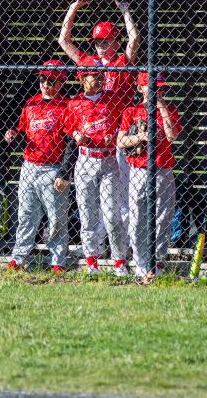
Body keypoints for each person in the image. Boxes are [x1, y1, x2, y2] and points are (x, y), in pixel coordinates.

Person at [59, 0, 141, 250]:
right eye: (97, 41)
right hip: (96, 139)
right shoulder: (88, 63)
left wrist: (125, 10)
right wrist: (73, 9)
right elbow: (64, 41)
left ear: (116, 41)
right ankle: (99, 248)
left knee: (123, 200)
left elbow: (135, 40)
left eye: (106, 41)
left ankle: (123, 248)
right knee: (94, 202)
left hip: (122, 137)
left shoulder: (121, 61)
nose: (101, 46)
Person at [4, 60, 74, 273]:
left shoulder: (66, 106)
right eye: (42, 79)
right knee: (26, 214)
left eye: (50, 80)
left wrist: (64, 173)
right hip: (30, 166)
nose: (44, 83)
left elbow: (71, 142)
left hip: (53, 168)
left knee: (56, 217)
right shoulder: (31, 104)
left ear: (60, 82)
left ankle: (57, 260)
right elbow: (24, 134)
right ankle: (19, 256)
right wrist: (13, 136)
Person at [64, 58, 129, 276]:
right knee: (88, 214)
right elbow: (70, 128)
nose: (100, 79)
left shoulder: (114, 99)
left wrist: (118, 135)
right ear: (82, 79)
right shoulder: (74, 103)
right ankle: (91, 261)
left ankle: (120, 261)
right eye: (94, 75)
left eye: (101, 75)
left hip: (109, 160)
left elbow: (125, 125)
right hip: (85, 160)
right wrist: (77, 135)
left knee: (112, 215)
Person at [117, 72, 182, 283]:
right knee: (137, 219)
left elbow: (172, 136)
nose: (156, 90)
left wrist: (161, 105)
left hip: (163, 169)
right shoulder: (131, 111)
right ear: (140, 88)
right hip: (139, 170)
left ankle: (157, 264)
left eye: (160, 87)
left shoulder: (169, 110)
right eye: (152, 87)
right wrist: (140, 137)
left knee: (162, 218)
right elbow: (120, 142)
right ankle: (141, 265)